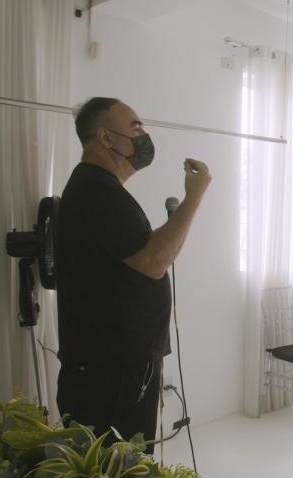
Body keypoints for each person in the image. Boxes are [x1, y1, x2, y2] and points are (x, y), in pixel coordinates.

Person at [56, 97, 211, 452]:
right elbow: (154, 261)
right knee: (118, 465)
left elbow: (148, 256)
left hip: (120, 368)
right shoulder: (97, 191)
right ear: (106, 138)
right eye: (136, 126)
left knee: (126, 460)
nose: (144, 134)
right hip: (109, 374)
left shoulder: (101, 190)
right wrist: (194, 198)